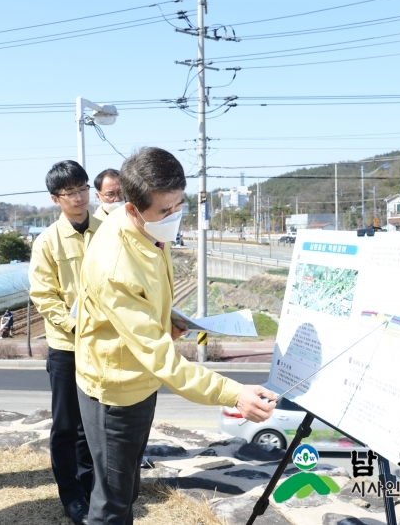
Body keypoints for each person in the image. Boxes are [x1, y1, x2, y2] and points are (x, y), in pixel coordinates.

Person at [75, 147, 277, 525]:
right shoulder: (115, 262)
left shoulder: (146, 229)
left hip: (139, 378)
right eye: (164, 211)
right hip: (115, 391)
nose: (174, 216)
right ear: (132, 208)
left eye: (177, 205)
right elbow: (163, 361)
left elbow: (148, 302)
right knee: (112, 503)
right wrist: (235, 393)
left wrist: (168, 317)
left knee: (127, 487)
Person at [29, 160, 100, 525]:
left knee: (95, 424)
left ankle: (92, 489)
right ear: (56, 198)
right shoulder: (47, 242)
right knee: (67, 425)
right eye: (70, 192)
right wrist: (77, 326)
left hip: (105, 346)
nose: (79, 197)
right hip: (68, 347)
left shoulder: (108, 230)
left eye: (83, 188)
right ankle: (71, 495)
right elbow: (44, 295)